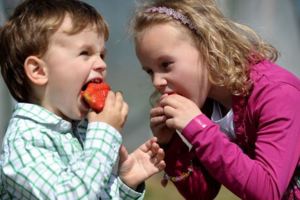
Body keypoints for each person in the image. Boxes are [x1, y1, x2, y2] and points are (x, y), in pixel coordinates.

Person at [130, 0, 300, 199]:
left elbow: (267, 191)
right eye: (150, 71)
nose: (157, 81)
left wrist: (200, 128)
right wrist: (172, 145)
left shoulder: (276, 94)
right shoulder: (208, 102)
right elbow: (202, 192)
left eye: (166, 64)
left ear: (207, 46)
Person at [0, 0, 166, 199]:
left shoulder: (81, 130)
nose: (101, 65)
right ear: (38, 71)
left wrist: (123, 185)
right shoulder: (25, 142)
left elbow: (91, 192)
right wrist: (103, 134)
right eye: (85, 53)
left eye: (102, 55)